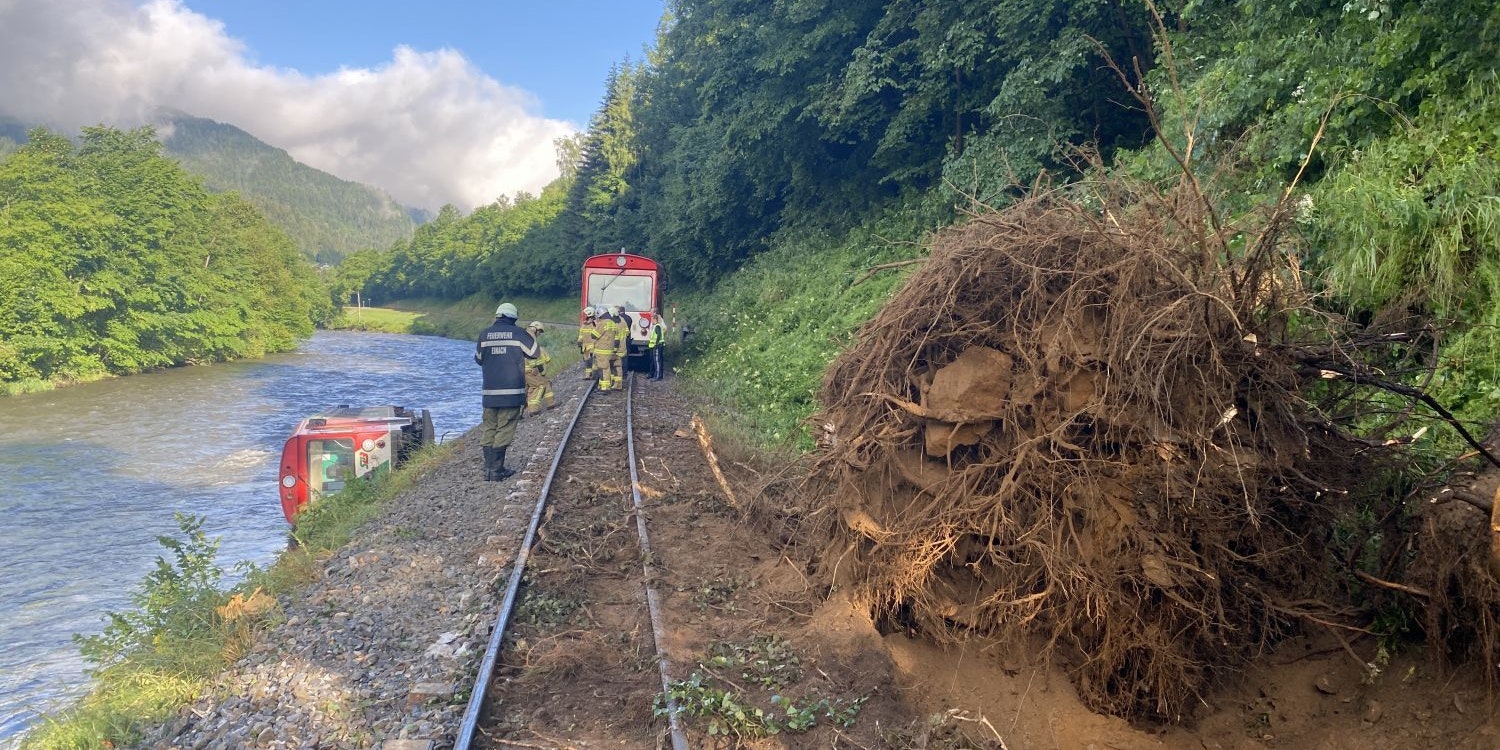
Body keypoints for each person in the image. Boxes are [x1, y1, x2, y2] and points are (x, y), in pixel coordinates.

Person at [475, 302, 538, 481]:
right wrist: (531, 334)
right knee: (504, 428)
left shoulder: (484, 334)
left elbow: (479, 359)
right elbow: (535, 353)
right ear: (514, 318)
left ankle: (487, 470)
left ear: (497, 316)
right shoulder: (518, 333)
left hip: (489, 393)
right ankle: (497, 470)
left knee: (489, 428)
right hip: (512, 393)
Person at [524, 321, 556, 415]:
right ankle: (533, 409)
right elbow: (530, 356)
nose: (539, 334)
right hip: (530, 370)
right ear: (535, 330)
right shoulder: (529, 341)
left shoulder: (527, 339)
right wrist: (535, 367)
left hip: (527, 370)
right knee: (540, 385)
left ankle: (551, 404)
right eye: (539, 332)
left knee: (545, 383)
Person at [595, 307, 620, 391]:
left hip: (602, 349)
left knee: (603, 368)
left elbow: (594, 335)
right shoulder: (612, 323)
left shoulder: (602, 323)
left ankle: (605, 388)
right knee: (607, 368)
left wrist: (596, 324)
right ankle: (603, 386)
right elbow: (616, 338)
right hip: (610, 349)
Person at [609, 305, 629, 391]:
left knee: (616, 367)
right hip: (622, 347)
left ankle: (617, 384)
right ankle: (617, 384)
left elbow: (613, 337)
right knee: (618, 366)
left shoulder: (614, 323)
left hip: (616, 348)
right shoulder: (623, 320)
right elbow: (628, 332)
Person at [577, 306, 599, 380]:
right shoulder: (584, 324)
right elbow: (581, 334)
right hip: (585, 346)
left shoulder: (595, 323)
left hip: (593, 346)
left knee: (592, 361)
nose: (586, 316)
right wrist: (579, 341)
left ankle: (594, 374)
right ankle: (588, 375)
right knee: (587, 362)